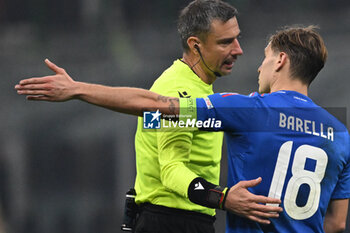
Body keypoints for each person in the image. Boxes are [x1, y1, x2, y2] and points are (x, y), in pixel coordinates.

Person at [16, 26, 350, 232]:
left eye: (265, 57)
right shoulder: (340, 134)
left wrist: (78, 90)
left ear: (280, 61)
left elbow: (160, 109)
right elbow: (335, 224)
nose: (259, 65)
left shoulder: (247, 109)